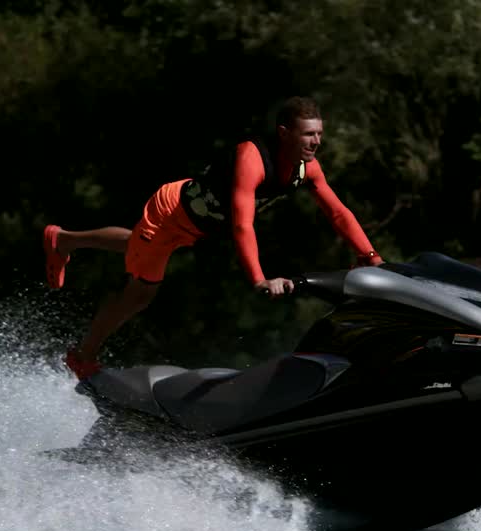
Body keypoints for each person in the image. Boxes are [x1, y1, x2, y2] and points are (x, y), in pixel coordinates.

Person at [43, 96, 383, 380]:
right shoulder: (253, 158)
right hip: (169, 215)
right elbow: (242, 226)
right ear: (284, 133)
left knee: (135, 245)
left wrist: (370, 256)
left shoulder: (307, 169)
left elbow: (338, 212)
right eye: (308, 134)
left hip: (195, 227)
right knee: (141, 292)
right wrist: (259, 279)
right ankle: (82, 356)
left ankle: (64, 240)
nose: (316, 142)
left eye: (319, 134)